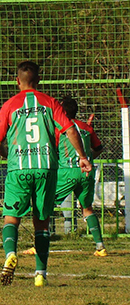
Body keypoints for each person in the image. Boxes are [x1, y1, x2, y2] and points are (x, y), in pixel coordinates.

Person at [0, 61, 92, 287]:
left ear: (17, 81)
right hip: (46, 167)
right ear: (39, 81)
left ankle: (9, 255)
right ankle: (40, 274)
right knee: (42, 222)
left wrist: (8, 154)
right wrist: (82, 157)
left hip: (19, 168)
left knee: (11, 218)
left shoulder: (9, 105)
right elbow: (70, 129)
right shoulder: (50, 103)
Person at [22, 96, 106, 257]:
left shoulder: (60, 129)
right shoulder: (86, 128)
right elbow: (99, 147)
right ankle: (100, 246)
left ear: (62, 112)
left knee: (45, 203)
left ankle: (38, 245)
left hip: (67, 171)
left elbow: (50, 148)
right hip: (86, 172)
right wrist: (87, 159)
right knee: (87, 208)